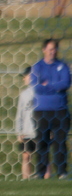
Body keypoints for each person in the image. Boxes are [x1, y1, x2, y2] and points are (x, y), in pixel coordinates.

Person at [31, 39, 70, 179]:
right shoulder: (37, 67)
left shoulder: (62, 66)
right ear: (44, 50)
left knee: (60, 142)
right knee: (42, 142)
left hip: (60, 110)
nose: (52, 52)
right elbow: (36, 86)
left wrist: (48, 84)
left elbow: (65, 83)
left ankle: (61, 172)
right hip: (42, 110)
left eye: (54, 49)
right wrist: (55, 86)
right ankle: (40, 172)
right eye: (49, 49)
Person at [15, 66, 38, 180]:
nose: (24, 79)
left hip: (41, 130)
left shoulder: (42, 91)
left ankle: (46, 180)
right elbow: (20, 114)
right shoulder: (24, 94)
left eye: (25, 76)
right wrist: (19, 131)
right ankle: (26, 179)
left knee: (43, 157)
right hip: (27, 131)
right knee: (26, 156)